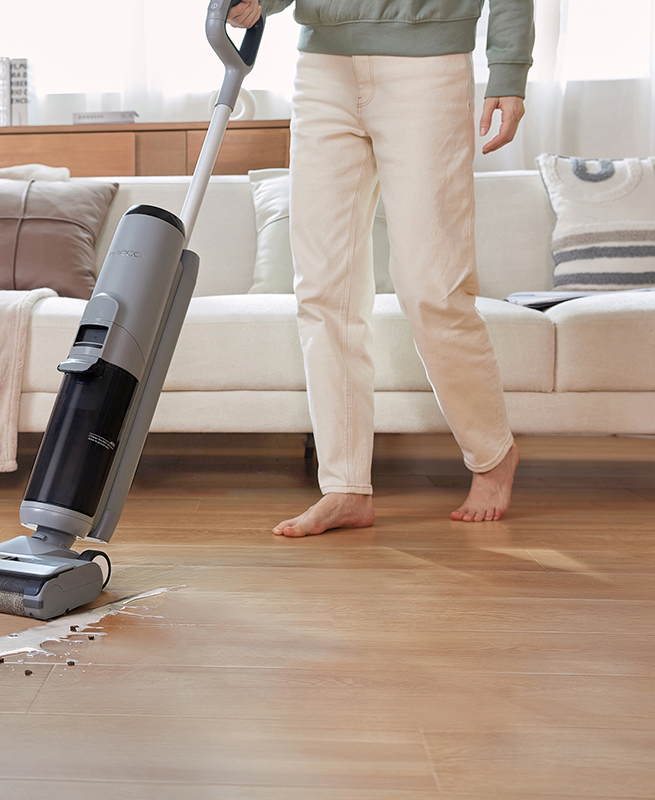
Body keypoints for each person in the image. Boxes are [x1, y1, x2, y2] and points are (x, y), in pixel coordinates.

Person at [228, 0, 534, 535]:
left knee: (432, 288)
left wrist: (508, 67)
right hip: (323, 69)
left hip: (429, 63)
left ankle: (492, 454)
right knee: (324, 289)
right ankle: (345, 486)